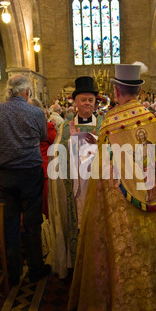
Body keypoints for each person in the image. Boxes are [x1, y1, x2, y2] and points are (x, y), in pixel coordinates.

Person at [67, 63, 156, 311]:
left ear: (116, 90)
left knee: (126, 257)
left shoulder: (112, 122)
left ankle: (125, 310)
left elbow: (104, 172)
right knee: (151, 254)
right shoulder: (154, 120)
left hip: (122, 207)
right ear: (139, 90)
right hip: (152, 198)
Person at [0, 74, 50, 286]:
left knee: (9, 225)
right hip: (30, 174)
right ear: (27, 92)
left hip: (5, 177)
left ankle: (13, 274)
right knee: (32, 223)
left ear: (9, 91)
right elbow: (43, 137)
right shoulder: (36, 112)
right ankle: (36, 269)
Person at [48, 76, 103, 279]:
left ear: (95, 103)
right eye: (83, 99)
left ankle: (97, 266)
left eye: (91, 100)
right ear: (75, 102)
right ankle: (74, 264)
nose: (87, 103)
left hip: (98, 186)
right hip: (73, 188)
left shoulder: (104, 125)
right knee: (74, 225)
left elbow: (110, 154)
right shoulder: (64, 128)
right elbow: (58, 156)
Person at [29, 97, 57, 218]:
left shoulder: (22, 125)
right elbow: (56, 144)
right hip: (43, 168)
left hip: (30, 168)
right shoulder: (46, 126)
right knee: (44, 206)